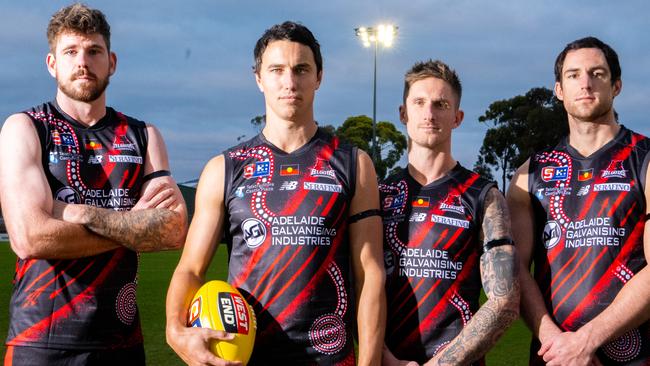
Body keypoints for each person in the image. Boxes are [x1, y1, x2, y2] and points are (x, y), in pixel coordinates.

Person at [165, 21, 386, 365]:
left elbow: (369, 273)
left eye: (301, 69)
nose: (289, 82)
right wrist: (175, 331)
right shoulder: (224, 168)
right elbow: (191, 269)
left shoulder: (354, 164)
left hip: (329, 356)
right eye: (277, 70)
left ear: (319, 77)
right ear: (258, 78)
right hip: (246, 357)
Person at [0, 4, 187, 365]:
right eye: (70, 52)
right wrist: (132, 223)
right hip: (40, 342)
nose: (82, 61)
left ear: (111, 62)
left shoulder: (143, 136)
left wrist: (74, 211)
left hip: (121, 344)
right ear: (52, 64)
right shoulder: (26, 128)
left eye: (93, 51)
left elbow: (173, 229)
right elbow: (29, 238)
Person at [508, 36, 650, 365]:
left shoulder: (644, 160)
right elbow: (515, 270)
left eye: (597, 73)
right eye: (573, 75)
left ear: (616, 85)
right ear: (558, 89)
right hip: (554, 357)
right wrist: (555, 341)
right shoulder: (530, 174)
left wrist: (587, 341)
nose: (585, 83)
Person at [381, 60, 520, 366]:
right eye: (419, 103)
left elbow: (504, 301)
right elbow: (358, 287)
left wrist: (443, 364)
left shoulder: (483, 195)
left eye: (441, 104)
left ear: (457, 117)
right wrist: (387, 359)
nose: (429, 114)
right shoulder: (379, 195)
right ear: (403, 113)